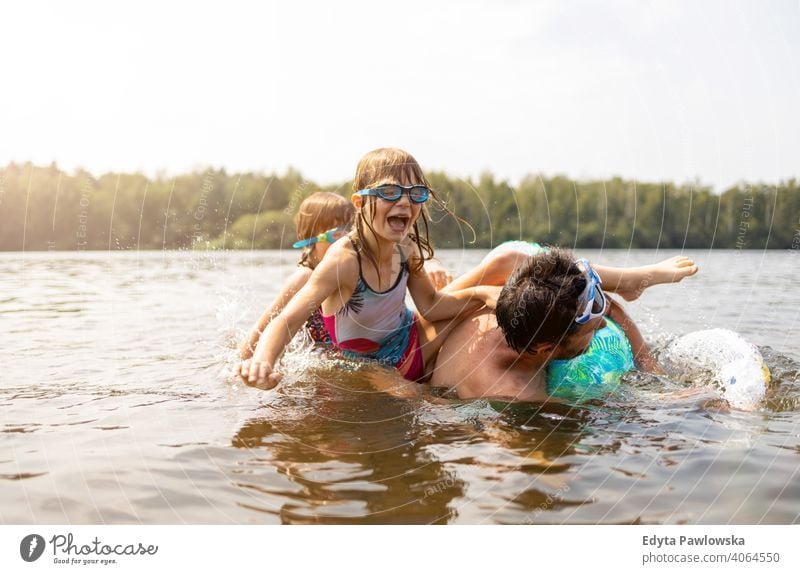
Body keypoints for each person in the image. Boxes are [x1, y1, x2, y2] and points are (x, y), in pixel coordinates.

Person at [242, 148, 502, 388]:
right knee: (420, 407)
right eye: (389, 191)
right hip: (368, 366)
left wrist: (480, 294)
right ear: (359, 203)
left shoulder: (407, 248)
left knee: (503, 268)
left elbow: (432, 306)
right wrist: (262, 361)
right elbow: (288, 319)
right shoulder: (343, 261)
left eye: (415, 193)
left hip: (411, 343)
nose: (404, 201)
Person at [430, 246, 695, 402]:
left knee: (511, 259)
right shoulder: (514, 393)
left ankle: (630, 280)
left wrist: (650, 366)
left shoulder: (524, 302)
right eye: (591, 329)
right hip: (431, 371)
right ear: (546, 348)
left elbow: (607, 307)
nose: (602, 326)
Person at [239, 191, 355, 360]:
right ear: (310, 239)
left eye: (350, 232)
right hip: (315, 363)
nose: (345, 242)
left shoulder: (345, 275)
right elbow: (263, 328)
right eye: (337, 235)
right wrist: (248, 365)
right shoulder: (304, 277)